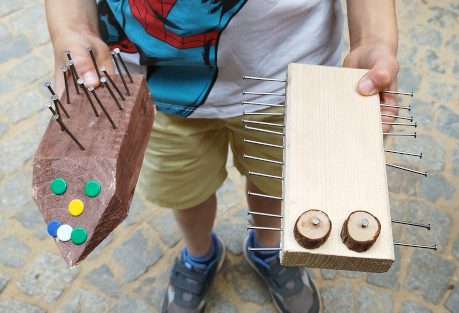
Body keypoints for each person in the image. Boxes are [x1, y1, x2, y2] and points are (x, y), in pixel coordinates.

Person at [45, 1, 399, 312]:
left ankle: (268, 249)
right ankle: (199, 256)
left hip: (289, 76)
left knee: (277, 185)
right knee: (185, 193)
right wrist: (73, 27)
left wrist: (371, 39)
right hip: (153, 90)